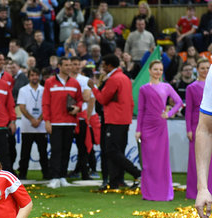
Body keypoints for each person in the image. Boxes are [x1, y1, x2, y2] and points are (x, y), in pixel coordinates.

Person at [89, 54, 140, 190]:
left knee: (111, 150)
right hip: (124, 119)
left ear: (109, 65)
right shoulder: (125, 78)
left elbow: (103, 99)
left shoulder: (114, 79)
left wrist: (93, 87)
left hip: (114, 119)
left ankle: (137, 173)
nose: (102, 67)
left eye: (104, 64)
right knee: (118, 150)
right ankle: (115, 180)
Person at [135, 60, 183, 201]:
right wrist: (138, 129)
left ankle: (163, 192)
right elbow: (141, 110)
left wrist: (168, 114)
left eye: (160, 69)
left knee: (162, 160)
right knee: (148, 162)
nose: (158, 72)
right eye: (155, 69)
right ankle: (149, 192)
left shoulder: (167, 86)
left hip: (160, 126)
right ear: (149, 71)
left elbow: (179, 102)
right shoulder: (144, 89)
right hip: (147, 127)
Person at [42, 57, 83, 189]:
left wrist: (78, 108)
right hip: (55, 123)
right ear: (59, 66)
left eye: (70, 65)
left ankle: (62, 176)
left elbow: (80, 100)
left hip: (70, 123)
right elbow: (46, 103)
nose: (69, 67)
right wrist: (47, 121)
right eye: (66, 65)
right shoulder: (49, 82)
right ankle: (54, 177)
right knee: (56, 151)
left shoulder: (75, 83)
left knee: (67, 150)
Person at [186, 59, 212, 200]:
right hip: (200, 123)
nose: (205, 70)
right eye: (202, 67)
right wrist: (189, 128)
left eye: (206, 67)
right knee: (197, 162)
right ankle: (197, 190)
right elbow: (188, 110)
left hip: (203, 124)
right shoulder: (192, 87)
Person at [17, 67, 48, 180]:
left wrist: (39, 119)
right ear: (29, 76)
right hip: (27, 126)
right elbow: (22, 107)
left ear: (39, 76)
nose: (34, 77)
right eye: (32, 75)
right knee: (25, 153)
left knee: (43, 152)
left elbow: (47, 107)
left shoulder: (44, 89)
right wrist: (32, 119)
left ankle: (46, 174)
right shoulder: (23, 90)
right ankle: (22, 174)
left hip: (41, 126)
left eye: (36, 75)